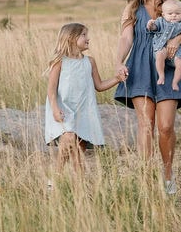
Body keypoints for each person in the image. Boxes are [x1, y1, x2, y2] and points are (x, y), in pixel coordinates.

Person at [115, 0, 181, 194]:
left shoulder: (174, 6)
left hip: (169, 68)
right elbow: (126, 38)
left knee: (165, 126)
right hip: (140, 68)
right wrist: (118, 61)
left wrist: (178, 40)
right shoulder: (133, 8)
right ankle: (145, 180)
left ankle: (167, 177)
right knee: (146, 126)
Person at [44, 23, 127, 173]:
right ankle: (57, 174)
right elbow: (51, 89)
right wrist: (55, 108)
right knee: (68, 137)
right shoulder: (59, 62)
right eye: (84, 35)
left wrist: (117, 79)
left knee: (79, 150)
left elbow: (99, 85)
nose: (88, 38)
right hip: (63, 108)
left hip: (84, 110)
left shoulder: (89, 62)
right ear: (71, 38)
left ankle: (78, 186)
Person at [146, 0, 181, 90]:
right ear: (163, 14)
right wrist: (151, 25)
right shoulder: (160, 21)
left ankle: (175, 82)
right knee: (159, 55)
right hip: (162, 47)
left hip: (177, 52)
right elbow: (155, 28)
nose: (174, 16)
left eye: (177, 13)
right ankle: (161, 75)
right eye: (170, 14)